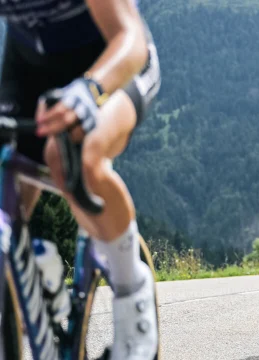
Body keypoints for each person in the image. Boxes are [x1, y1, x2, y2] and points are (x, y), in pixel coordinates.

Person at [0, 1, 161, 358]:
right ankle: (41, 281)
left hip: (114, 58)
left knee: (77, 159)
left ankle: (131, 288)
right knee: (9, 187)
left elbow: (130, 38)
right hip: (29, 66)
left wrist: (88, 92)